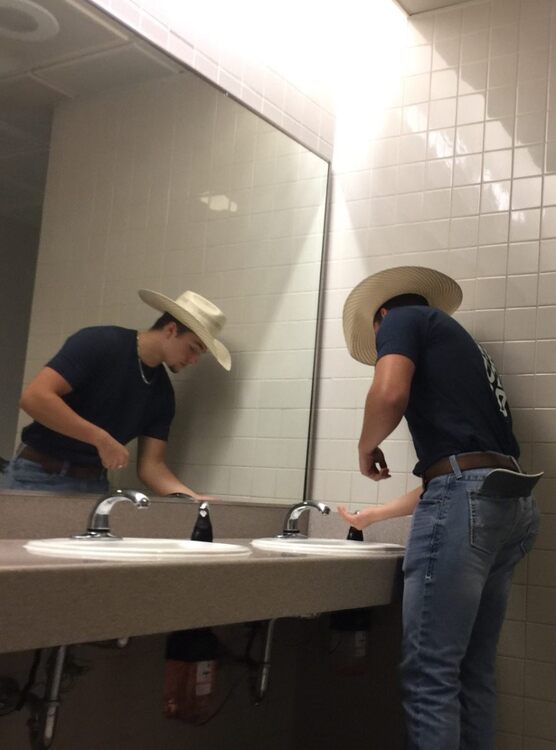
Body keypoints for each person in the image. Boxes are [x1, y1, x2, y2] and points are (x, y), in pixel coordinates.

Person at [337, 266, 540, 750]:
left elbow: (390, 394)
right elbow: (462, 478)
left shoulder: (400, 320)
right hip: (509, 502)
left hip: (470, 502)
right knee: (472, 671)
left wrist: (366, 446)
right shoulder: (465, 352)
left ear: (382, 317)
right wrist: (373, 517)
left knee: (431, 674)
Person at [3, 289, 231, 498]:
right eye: (193, 348)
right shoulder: (100, 343)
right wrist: (100, 439)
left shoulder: (162, 395)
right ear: (171, 330)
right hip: (37, 475)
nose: (194, 360)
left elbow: (152, 467)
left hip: (94, 484)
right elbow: (34, 398)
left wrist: (192, 499)